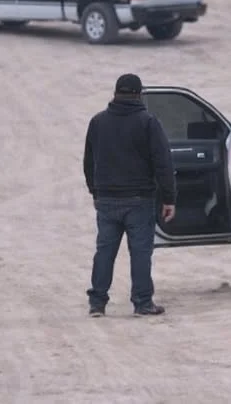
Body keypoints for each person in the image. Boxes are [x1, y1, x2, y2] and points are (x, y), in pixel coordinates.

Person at [83, 73, 176, 317]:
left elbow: (88, 162)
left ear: (115, 94)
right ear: (139, 94)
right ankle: (143, 303)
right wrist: (169, 199)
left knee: (104, 251)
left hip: (106, 201)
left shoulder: (98, 122)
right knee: (140, 252)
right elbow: (163, 163)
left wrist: (95, 191)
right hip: (139, 200)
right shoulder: (148, 122)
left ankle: (97, 303)